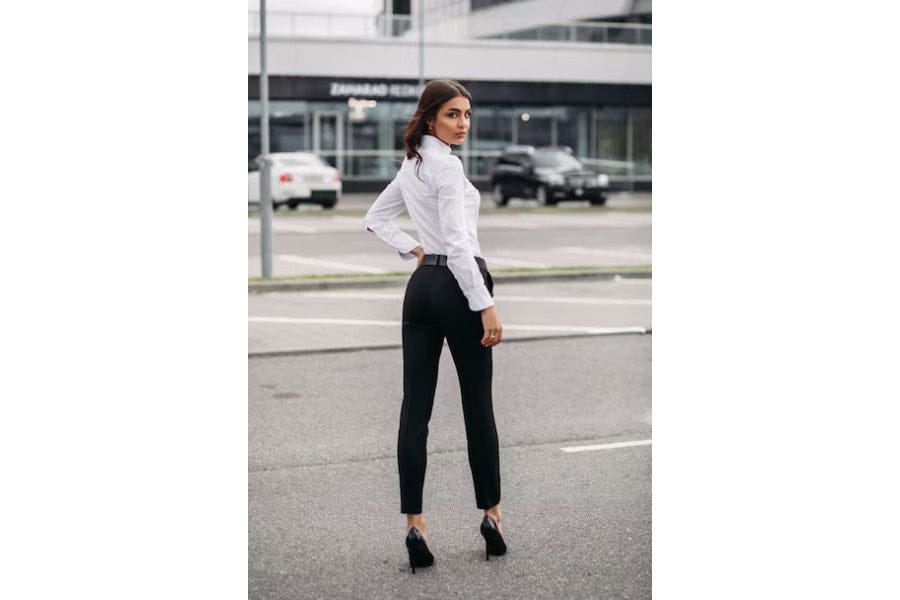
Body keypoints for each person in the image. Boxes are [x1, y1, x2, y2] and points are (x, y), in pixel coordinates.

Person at [363, 79, 508, 573]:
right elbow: (462, 244)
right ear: (430, 118)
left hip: (421, 287)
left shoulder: (413, 164)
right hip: (458, 288)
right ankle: (491, 518)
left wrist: (413, 250)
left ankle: (414, 525)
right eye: (452, 114)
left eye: (467, 114)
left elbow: (375, 218)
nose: (463, 123)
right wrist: (483, 302)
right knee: (477, 408)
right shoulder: (446, 166)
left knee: (415, 411)